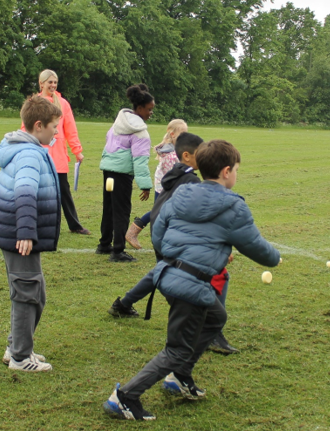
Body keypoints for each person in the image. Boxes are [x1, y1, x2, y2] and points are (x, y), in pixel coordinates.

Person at [103, 139, 280, 422]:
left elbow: (159, 233)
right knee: (177, 349)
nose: (236, 173)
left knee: (214, 317)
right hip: (190, 285)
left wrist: (178, 255)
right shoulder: (234, 206)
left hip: (167, 274)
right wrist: (275, 258)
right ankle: (125, 397)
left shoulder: (181, 194)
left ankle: (180, 376)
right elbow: (256, 246)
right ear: (225, 172)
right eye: (236, 169)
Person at [112, 130, 238, 353]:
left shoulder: (178, 174)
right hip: (171, 237)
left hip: (162, 235)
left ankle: (123, 304)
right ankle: (212, 332)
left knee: (161, 271)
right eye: (201, 153)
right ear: (188, 156)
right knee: (215, 274)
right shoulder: (190, 181)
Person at [0, 94, 62, 372]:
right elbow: (24, 192)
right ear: (38, 125)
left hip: (16, 231)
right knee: (27, 292)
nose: (57, 131)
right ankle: (21, 357)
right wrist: (25, 232)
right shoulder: (30, 153)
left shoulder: (24, 147)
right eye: (54, 126)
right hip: (19, 235)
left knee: (35, 292)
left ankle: (16, 346)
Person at [97, 83, 154, 262]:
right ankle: (118, 251)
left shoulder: (117, 124)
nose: (151, 113)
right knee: (122, 211)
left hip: (108, 173)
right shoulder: (140, 133)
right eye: (149, 109)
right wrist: (145, 185)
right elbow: (140, 161)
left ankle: (104, 244)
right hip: (121, 176)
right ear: (139, 108)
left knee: (109, 208)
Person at [35, 69, 90, 235]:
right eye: (49, 82)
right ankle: (39, 224)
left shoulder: (63, 104)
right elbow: (27, 127)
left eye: (55, 82)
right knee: (40, 191)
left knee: (63, 191)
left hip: (58, 155)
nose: (52, 85)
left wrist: (77, 150)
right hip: (40, 153)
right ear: (41, 83)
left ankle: (74, 225)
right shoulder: (35, 102)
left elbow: (71, 129)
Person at [125, 117, 187, 249]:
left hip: (167, 186)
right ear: (172, 134)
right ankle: (133, 232)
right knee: (159, 212)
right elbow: (174, 174)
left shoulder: (174, 149)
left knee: (165, 212)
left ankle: (170, 239)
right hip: (166, 187)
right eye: (182, 134)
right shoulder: (170, 154)